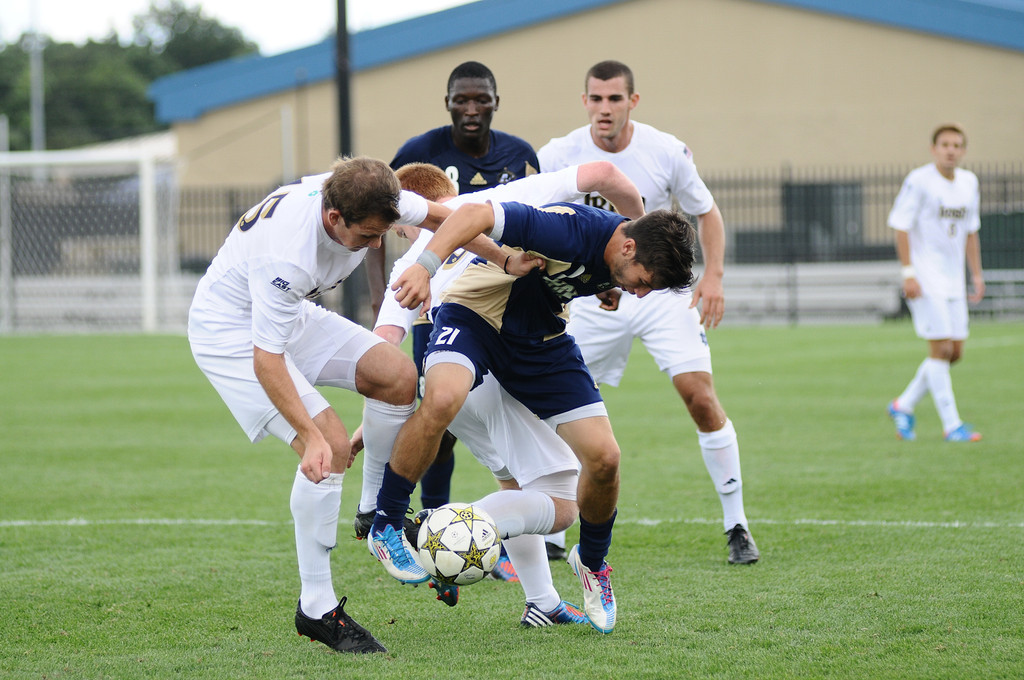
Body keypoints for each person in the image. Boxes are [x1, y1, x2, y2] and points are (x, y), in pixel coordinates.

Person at [369, 182, 697, 635]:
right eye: (642, 282)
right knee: (444, 398)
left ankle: (592, 565)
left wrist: (609, 286)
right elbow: (474, 214)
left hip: (541, 346)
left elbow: (607, 258)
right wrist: (426, 265)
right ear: (627, 246)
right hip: (474, 318)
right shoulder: (568, 230)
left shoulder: (620, 257)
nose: (639, 294)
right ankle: (387, 522)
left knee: (605, 459)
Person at [186, 156, 457, 655]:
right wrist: (310, 436)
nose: (378, 244)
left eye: (385, 231)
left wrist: (504, 256)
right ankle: (317, 608)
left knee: (398, 377)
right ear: (334, 218)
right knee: (331, 445)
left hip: (287, 318)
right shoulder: (287, 256)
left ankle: (376, 514)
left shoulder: (373, 195)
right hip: (232, 335)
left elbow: (454, 216)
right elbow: (267, 359)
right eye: (368, 235)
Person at [536, 60, 760, 565]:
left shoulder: (664, 149)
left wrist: (715, 276)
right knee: (553, 407)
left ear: (632, 102)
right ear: (585, 102)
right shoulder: (558, 154)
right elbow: (541, 218)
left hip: (658, 293)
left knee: (700, 397)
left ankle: (737, 524)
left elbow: (707, 211)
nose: (604, 108)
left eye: (614, 99)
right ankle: (551, 529)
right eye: (595, 99)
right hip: (592, 296)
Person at [361, 61, 539, 550]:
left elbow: (535, 222)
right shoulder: (419, 155)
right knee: (447, 424)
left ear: (495, 102)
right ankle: (428, 520)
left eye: (480, 99)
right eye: (461, 99)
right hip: (434, 307)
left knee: (468, 428)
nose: (471, 108)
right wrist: (383, 298)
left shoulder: (520, 156)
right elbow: (380, 215)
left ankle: (399, 517)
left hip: (500, 306)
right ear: (448, 103)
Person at [886, 124, 984, 442]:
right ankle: (952, 425)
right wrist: (908, 273)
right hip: (927, 279)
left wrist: (977, 274)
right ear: (933, 149)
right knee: (939, 348)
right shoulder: (919, 181)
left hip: (954, 279)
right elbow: (900, 226)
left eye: (956, 145)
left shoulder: (969, 183)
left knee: (954, 352)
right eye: (944, 144)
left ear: (964, 150)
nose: (950, 150)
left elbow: (971, 231)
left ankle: (904, 404)